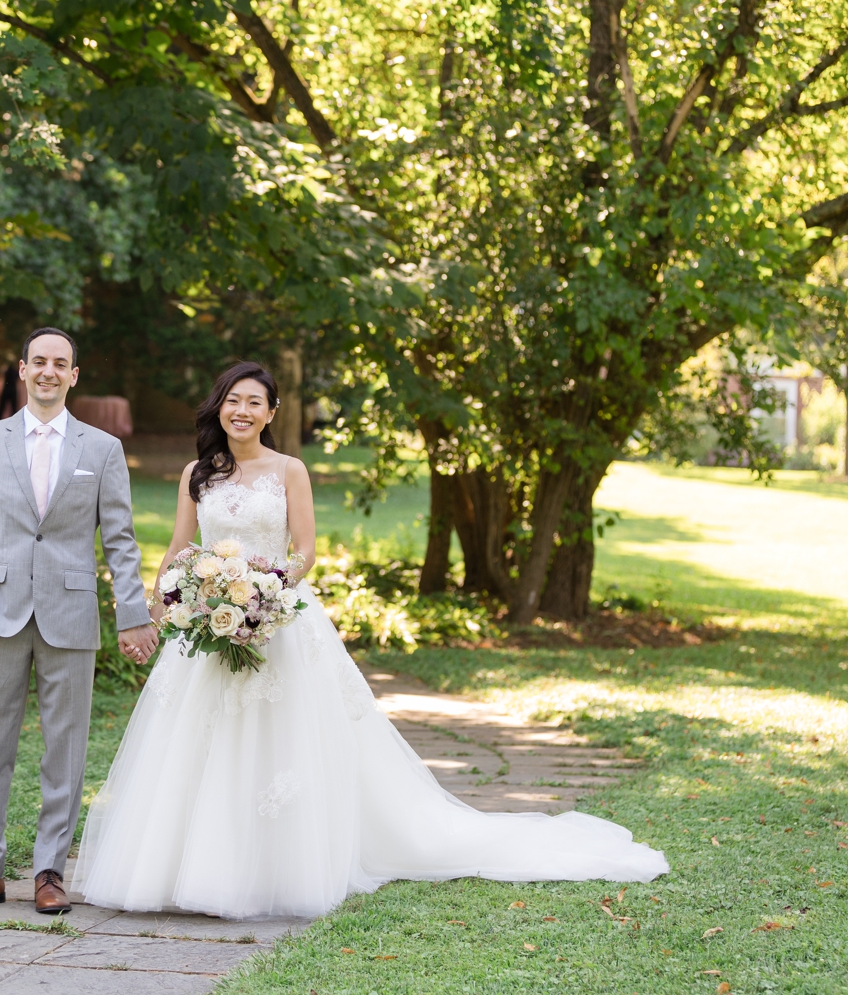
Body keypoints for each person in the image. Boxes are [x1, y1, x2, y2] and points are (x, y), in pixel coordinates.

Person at [73, 361, 668, 920]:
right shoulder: (196, 474)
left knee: (281, 743)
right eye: (233, 401)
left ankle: (279, 866)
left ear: (272, 412)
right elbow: (181, 546)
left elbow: (304, 548)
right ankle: (190, 866)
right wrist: (164, 602)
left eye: (255, 402)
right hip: (210, 625)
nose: (243, 411)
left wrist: (262, 591)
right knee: (199, 744)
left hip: (278, 620)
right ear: (218, 408)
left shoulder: (288, 471)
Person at [0, 327, 159, 916]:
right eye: (40, 362)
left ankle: (49, 871)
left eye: (61, 363)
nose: (49, 371)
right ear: (24, 370)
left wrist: (132, 615)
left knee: (66, 749)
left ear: (74, 375)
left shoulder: (102, 449)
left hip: (72, 613)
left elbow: (121, 540)